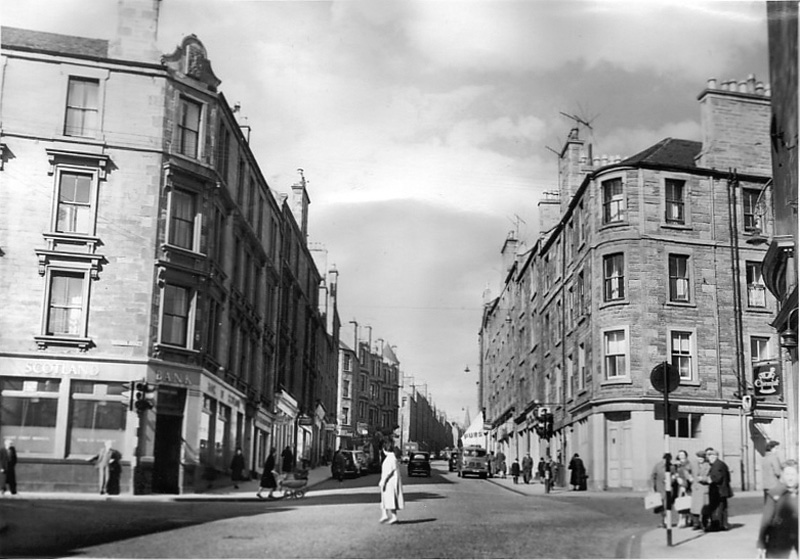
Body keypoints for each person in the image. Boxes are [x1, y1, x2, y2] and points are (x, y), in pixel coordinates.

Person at [757, 459, 798, 558]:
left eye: (793, 474)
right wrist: (761, 544)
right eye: (787, 474)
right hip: (779, 542)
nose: (790, 478)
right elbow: (766, 521)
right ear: (782, 476)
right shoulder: (774, 494)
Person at [704, 448, 732, 531]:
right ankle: (724, 524)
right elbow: (728, 477)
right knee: (722, 508)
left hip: (717, 491)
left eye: (709, 456)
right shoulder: (722, 464)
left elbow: (716, 478)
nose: (708, 458)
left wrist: (707, 479)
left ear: (714, 456)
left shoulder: (716, 465)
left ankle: (716, 526)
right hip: (723, 490)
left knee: (716, 508)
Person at [378, 443, 404, 525]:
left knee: (390, 499)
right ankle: (385, 515)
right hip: (391, 482)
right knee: (387, 499)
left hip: (390, 483)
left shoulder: (390, 459)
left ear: (384, 450)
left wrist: (383, 481)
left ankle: (393, 516)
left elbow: (388, 472)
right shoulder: (392, 458)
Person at [651, 453, 677, 528]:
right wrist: (652, 487)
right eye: (665, 459)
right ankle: (663, 520)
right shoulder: (658, 466)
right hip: (659, 488)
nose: (666, 461)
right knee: (660, 506)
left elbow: (674, 476)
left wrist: (670, 480)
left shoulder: (672, 467)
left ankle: (667, 521)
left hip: (668, 489)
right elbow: (653, 476)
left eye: (668, 459)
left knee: (667, 505)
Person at [690, 450, 710, 530]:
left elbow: (710, 477)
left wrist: (703, 479)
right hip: (695, 488)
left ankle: (704, 524)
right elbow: (685, 470)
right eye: (699, 458)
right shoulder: (693, 464)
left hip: (703, 488)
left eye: (702, 458)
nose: (700, 459)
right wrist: (689, 477)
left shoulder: (708, 465)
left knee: (704, 508)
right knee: (695, 507)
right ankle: (696, 523)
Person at [673, 450, 693, 527]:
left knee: (688, 501)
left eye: (683, 454)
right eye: (680, 455)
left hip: (687, 485)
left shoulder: (689, 464)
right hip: (678, 485)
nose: (681, 456)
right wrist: (676, 477)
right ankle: (682, 519)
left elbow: (689, 475)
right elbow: (674, 473)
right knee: (680, 502)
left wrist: (684, 485)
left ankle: (689, 519)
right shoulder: (676, 464)